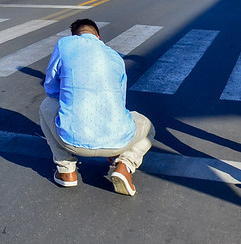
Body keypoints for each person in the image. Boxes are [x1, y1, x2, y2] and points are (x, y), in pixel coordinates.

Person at [39, 18, 155, 196]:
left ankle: (66, 171)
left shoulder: (65, 44)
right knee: (148, 128)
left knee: (46, 105)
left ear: (75, 36)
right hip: (118, 142)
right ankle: (125, 165)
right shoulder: (115, 57)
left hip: (71, 140)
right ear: (98, 37)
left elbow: (51, 89)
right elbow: (120, 101)